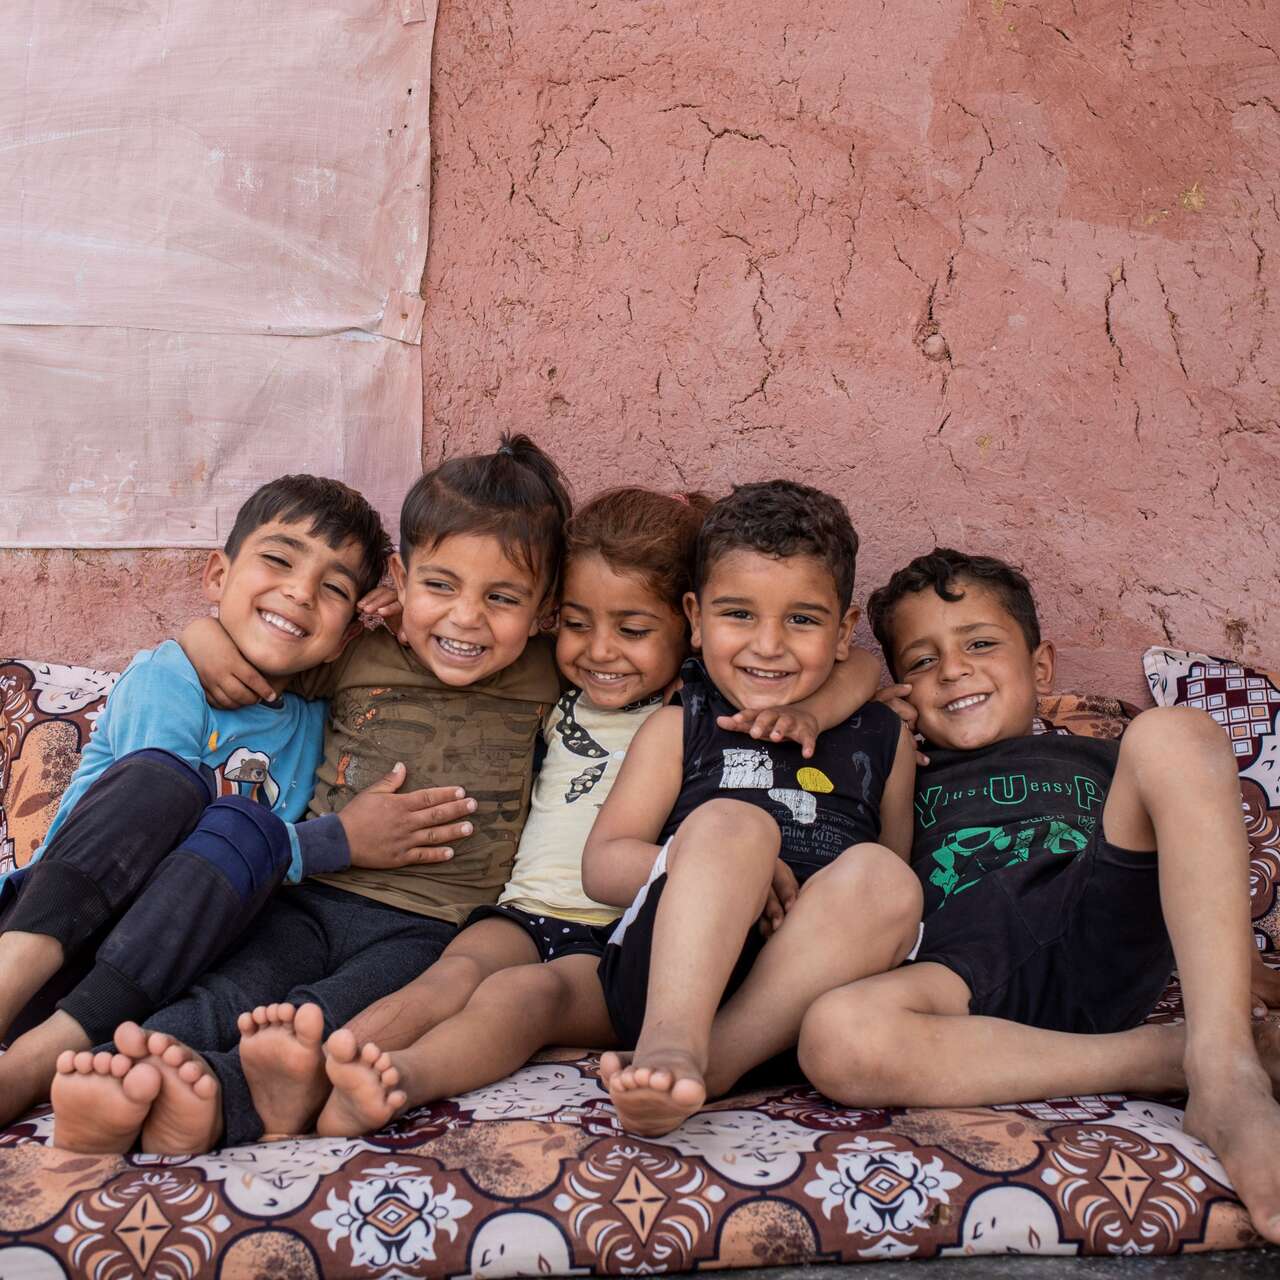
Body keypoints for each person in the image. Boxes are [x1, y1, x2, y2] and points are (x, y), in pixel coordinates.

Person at [49, 436, 571, 1155]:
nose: (466, 618)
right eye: (440, 585)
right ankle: (128, 1074)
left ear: (546, 611)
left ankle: (216, 1104)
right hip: (309, 893)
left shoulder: (549, 674)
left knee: (319, 1019)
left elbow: (640, 659)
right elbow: (268, 655)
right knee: (233, 991)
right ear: (400, 575)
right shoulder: (360, 649)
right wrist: (200, 637)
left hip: (430, 925)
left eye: (503, 598)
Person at [796, 547, 1280, 1245]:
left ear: (1041, 666)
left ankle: (1226, 1068)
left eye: (981, 644)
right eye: (922, 662)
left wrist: (1241, 973)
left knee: (1175, 734)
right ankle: (1175, 1055)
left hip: (1096, 915)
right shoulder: (902, 769)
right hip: (968, 965)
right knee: (835, 1039)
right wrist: (877, 737)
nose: (953, 669)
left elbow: (1191, 849)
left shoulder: (1100, 757)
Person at [0, 475, 464, 1125]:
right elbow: (159, 826)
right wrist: (340, 840)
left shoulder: (324, 718)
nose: (300, 592)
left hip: (150, 978)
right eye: (277, 559)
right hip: (53, 936)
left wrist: (404, 610)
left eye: (334, 589)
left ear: (352, 628)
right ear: (218, 574)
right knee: (165, 781)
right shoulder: (169, 674)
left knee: (246, 827)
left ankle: (28, 1067)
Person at [585, 480, 921, 1136]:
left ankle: (711, 1069)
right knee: (736, 824)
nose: (768, 645)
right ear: (697, 615)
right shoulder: (682, 725)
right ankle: (671, 1048)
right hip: (666, 981)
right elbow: (603, 865)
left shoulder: (887, 739)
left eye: (801, 619)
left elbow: (889, 897)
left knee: (887, 878)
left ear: (845, 628)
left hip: (800, 1003)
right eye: (739, 614)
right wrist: (717, 863)